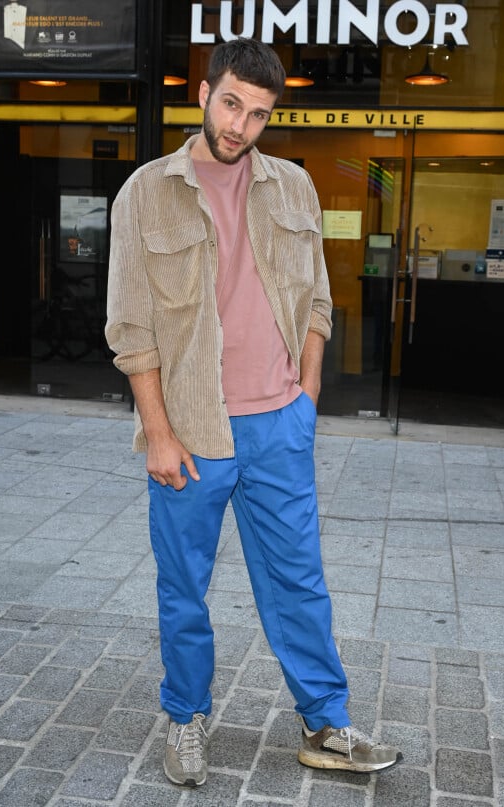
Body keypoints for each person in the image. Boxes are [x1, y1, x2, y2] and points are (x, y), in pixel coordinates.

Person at [106, 37, 401, 789]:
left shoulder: (295, 188)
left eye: (259, 113)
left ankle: (324, 723)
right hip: (192, 430)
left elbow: (318, 302)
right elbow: (131, 330)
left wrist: (305, 397)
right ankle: (186, 715)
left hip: (277, 426)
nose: (240, 124)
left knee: (300, 580)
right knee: (184, 585)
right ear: (205, 94)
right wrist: (160, 434)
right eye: (231, 102)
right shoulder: (146, 190)